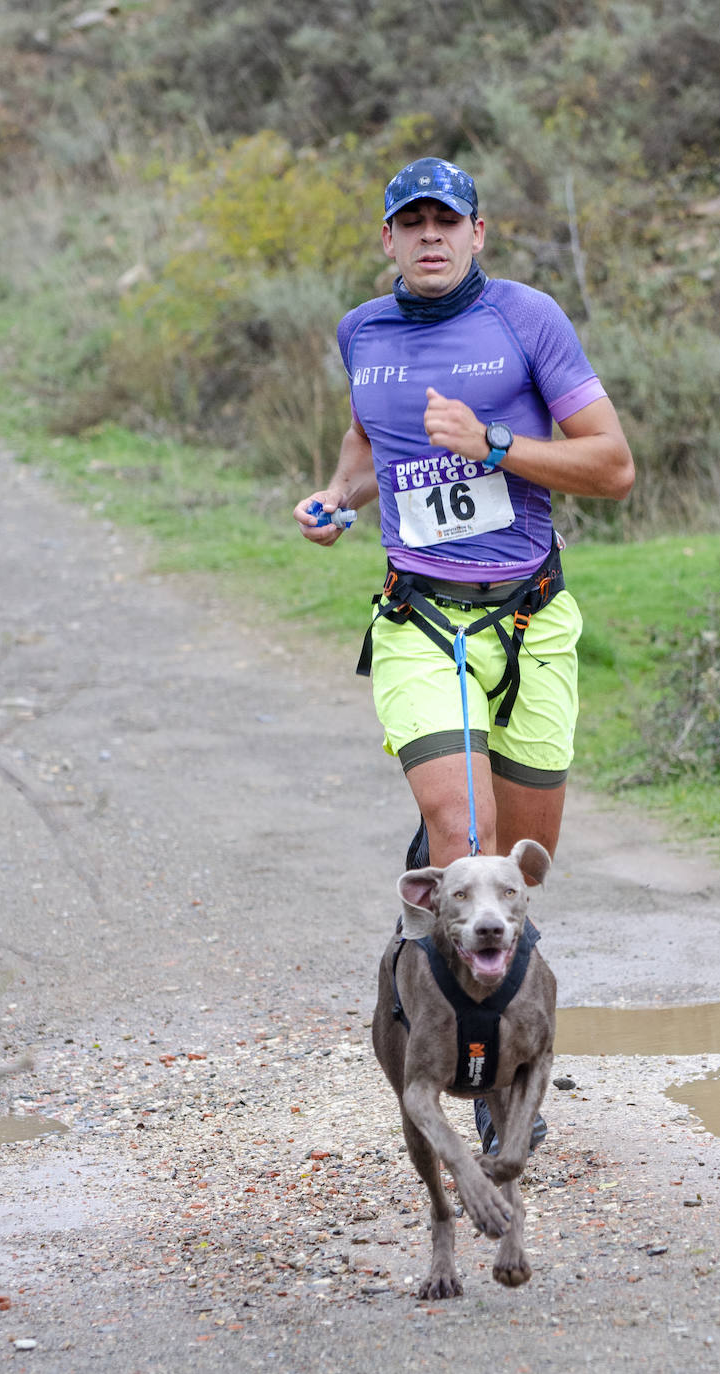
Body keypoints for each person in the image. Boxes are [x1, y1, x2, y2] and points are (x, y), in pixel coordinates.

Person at [294, 156, 634, 1150]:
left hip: (529, 621)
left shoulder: (529, 321)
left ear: (479, 233)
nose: (431, 236)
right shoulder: (363, 331)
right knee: (465, 840)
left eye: (450, 221)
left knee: (520, 866)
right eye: (413, 223)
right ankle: (481, 1067)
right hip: (421, 623)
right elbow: (367, 449)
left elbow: (611, 465)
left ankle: (445, 899)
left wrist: (491, 445)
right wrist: (336, 501)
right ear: (388, 239)